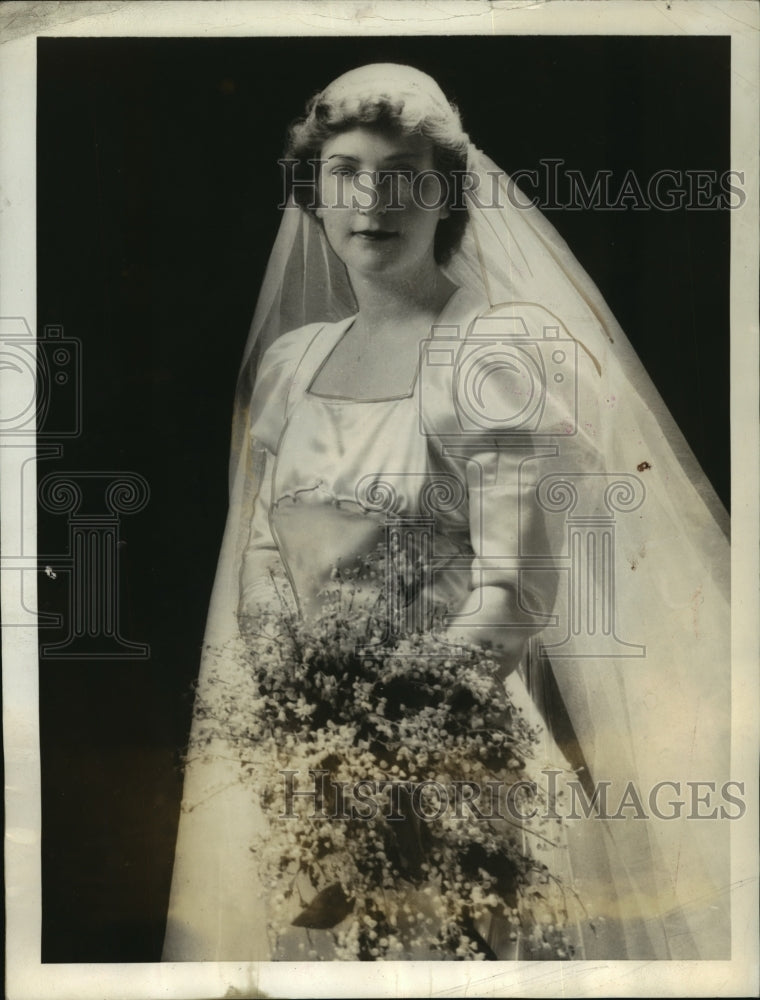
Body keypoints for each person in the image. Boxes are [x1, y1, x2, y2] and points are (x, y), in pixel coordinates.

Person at [163, 63, 730, 962]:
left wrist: (397, 742)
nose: (372, 201)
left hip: (459, 755)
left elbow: (515, 594)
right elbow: (264, 563)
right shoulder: (293, 364)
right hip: (308, 763)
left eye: (404, 176)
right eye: (346, 171)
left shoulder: (493, 356)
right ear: (313, 191)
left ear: (446, 195)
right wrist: (307, 731)